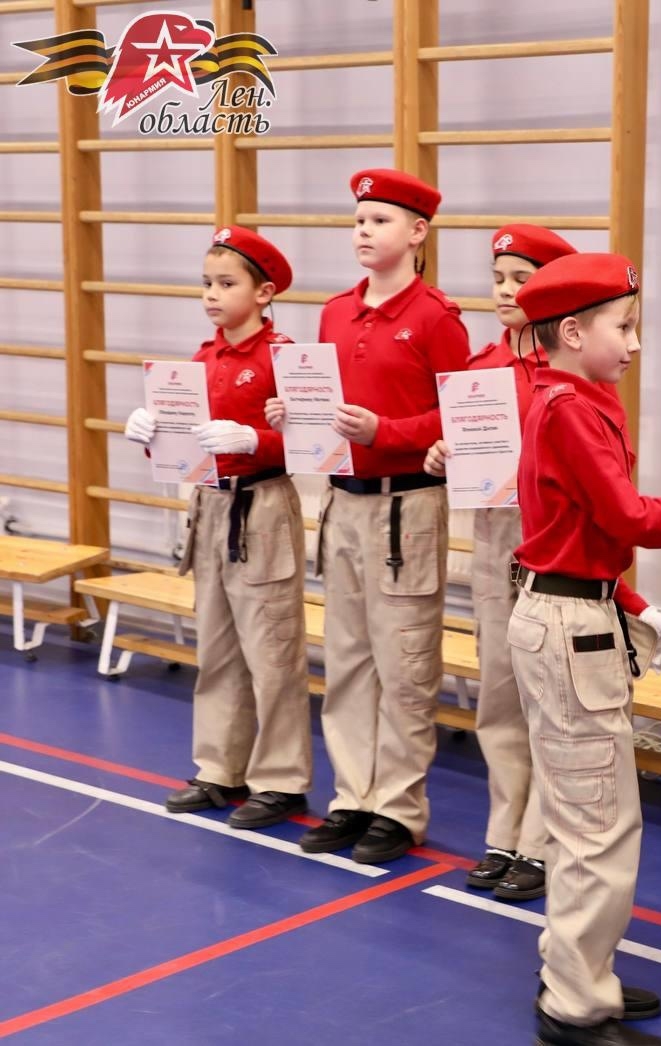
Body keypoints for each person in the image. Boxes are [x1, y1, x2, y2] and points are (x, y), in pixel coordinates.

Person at [508, 252, 661, 1046]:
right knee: (598, 825)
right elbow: (628, 518)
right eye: (624, 326)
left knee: (583, 813)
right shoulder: (571, 409)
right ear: (573, 332)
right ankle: (575, 1005)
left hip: (578, 608)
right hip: (568, 625)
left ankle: (577, 968)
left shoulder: (572, 396)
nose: (636, 343)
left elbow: (574, 528)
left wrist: (631, 601)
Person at [267, 169, 471, 864]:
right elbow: (326, 407)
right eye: (359, 219)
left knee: (405, 664)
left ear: (417, 232)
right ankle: (353, 796)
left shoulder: (436, 318)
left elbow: (458, 415)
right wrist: (292, 415)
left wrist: (387, 430)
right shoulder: (334, 312)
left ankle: (398, 808)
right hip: (344, 504)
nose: (364, 231)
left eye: (380, 220)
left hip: (405, 506)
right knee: (348, 660)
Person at [126, 226, 312, 829]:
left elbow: (313, 443)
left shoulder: (283, 356)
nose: (211, 294)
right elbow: (185, 445)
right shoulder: (203, 359)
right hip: (210, 505)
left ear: (264, 293)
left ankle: (281, 779)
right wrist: (152, 435)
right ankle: (219, 768)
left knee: (272, 652)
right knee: (218, 647)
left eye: (226, 283)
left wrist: (258, 439)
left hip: (261, 506)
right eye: (206, 283)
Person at [426, 223, 577, 903]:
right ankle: (504, 831)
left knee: (549, 695)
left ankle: (543, 840)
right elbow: (461, 445)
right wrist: (443, 453)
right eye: (498, 279)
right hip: (494, 538)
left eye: (523, 279)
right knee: (500, 693)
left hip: (551, 537)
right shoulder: (481, 366)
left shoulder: (568, 367)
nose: (507, 291)